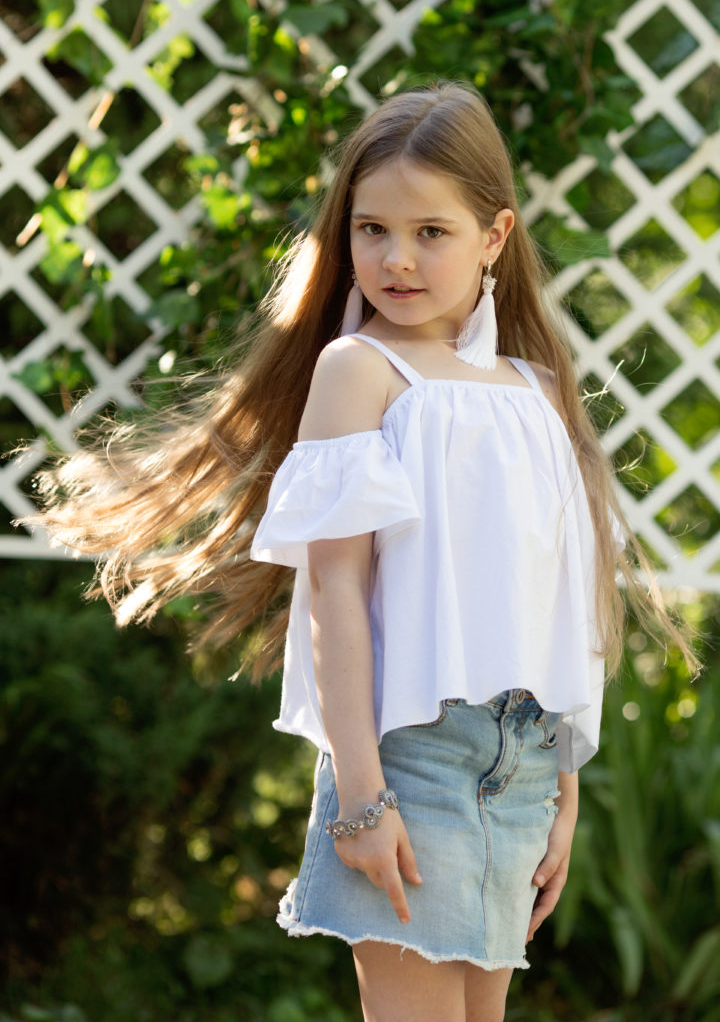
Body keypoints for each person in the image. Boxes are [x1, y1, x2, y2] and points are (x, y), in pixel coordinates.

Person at [28, 81, 697, 1022]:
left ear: (495, 236)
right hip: (409, 762)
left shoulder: (536, 389)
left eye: (432, 232)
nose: (396, 258)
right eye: (372, 229)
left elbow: (555, 599)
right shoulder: (359, 373)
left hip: (523, 764)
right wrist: (363, 797)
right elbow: (334, 593)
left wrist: (566, 793)